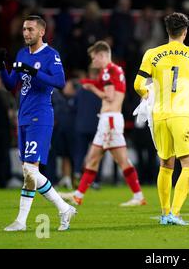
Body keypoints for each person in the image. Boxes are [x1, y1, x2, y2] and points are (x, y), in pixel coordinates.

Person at [0, 15, 77, 231]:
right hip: (23, 116)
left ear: (41, 32)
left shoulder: (51, 55)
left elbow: (59, 82)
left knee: (31, 170)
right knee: (28, 172)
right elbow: (10, 84)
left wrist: (33, 71)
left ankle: (63, 208)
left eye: (30, 29)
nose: (26, 33)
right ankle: (21, 221)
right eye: (24, 29)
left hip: (40, 116)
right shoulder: (22, 53)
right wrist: (2, 66)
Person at [134, 12, 189, 225]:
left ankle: (165, 214)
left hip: (159, 115)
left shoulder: (151, 53)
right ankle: (175, 213)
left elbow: (138, 85)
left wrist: (148, 96)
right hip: (182, 114)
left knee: (166, 165)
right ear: (185, 32)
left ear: (167, 31)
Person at [61, 41, 145, 207]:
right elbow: (105, 87)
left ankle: (138, 196)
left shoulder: (108, 71)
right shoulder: (115, 70)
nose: (93, 62)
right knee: (92, 159)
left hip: (110, 121)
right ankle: (78, 195)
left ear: (102, 55)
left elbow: (109, 96)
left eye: (94, 58)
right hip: (109, 120)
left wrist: (92, 89)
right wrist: (89, 83)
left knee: (120, 160)